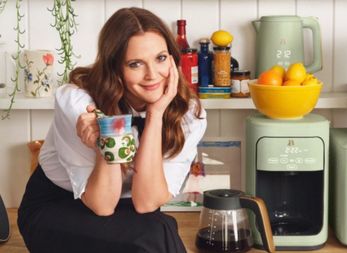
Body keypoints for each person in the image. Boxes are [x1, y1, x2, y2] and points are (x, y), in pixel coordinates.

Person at [17, 7, 206, 253]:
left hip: (131, 210)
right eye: (135, 64)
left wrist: (156, 115)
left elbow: (147, 202)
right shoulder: (78, 102)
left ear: (172, 59)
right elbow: (102, 205)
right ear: (115, 68)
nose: (152, 75)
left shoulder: (189, 113)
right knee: (156, 234)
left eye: (160, 58)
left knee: (159, 229)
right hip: (58, 208)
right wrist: (105, 139)